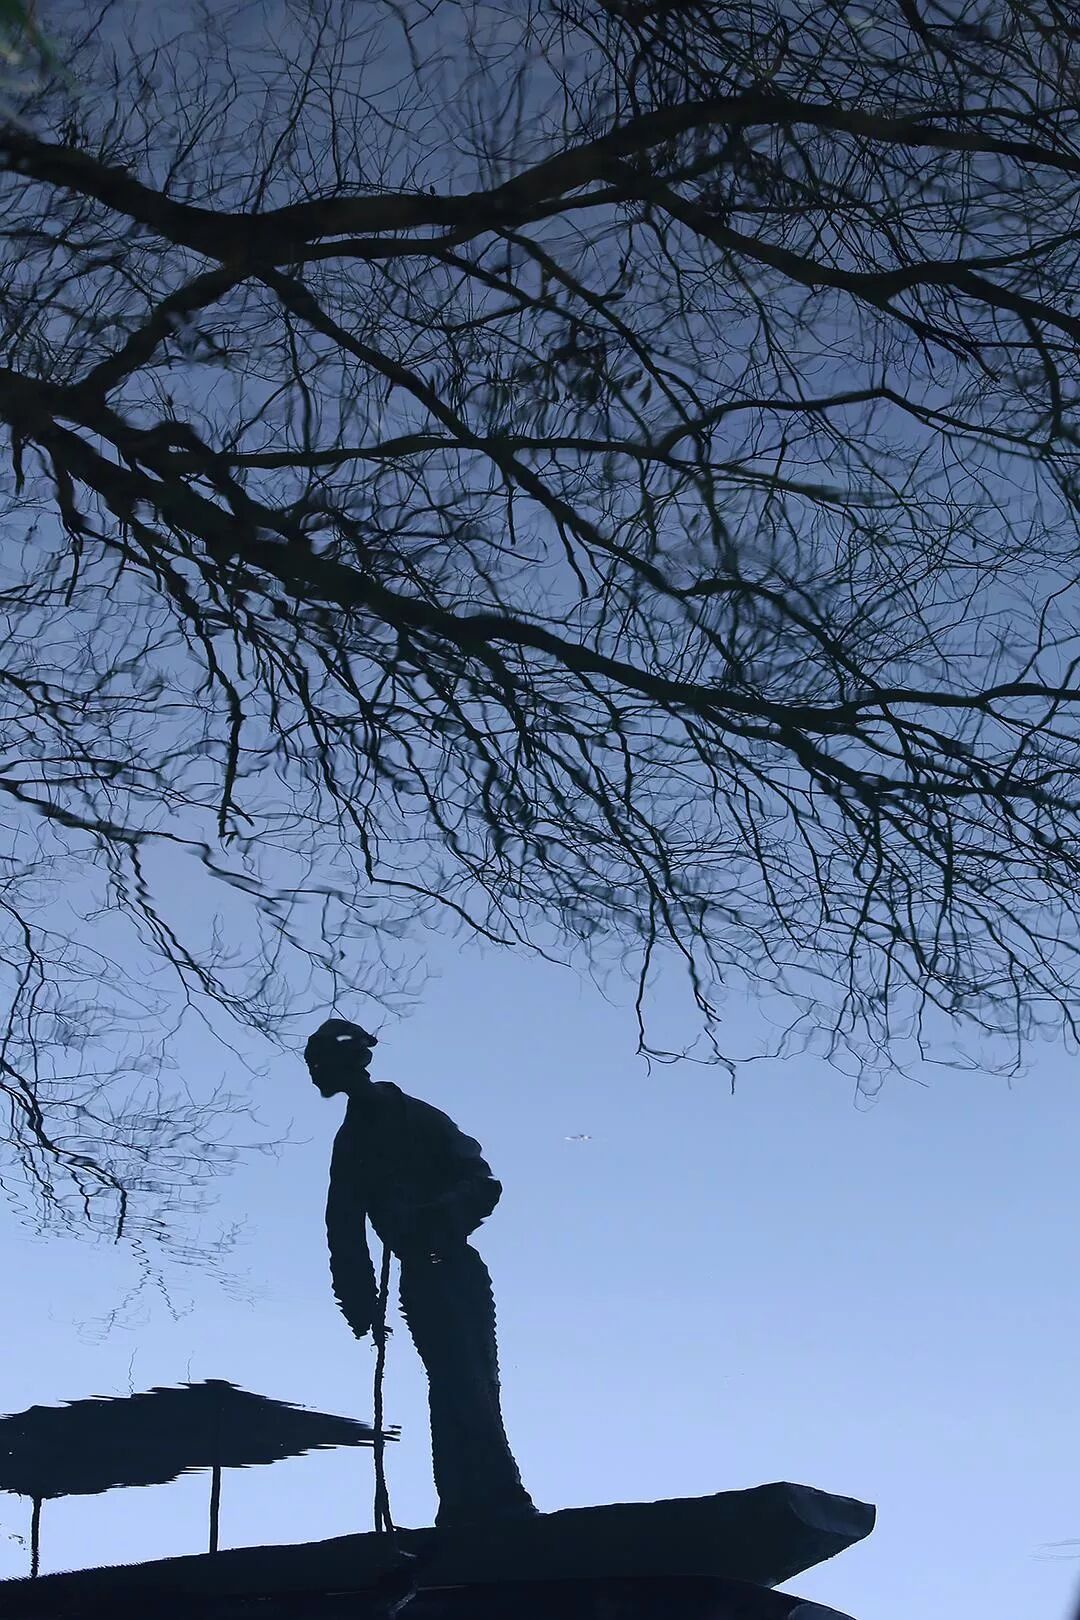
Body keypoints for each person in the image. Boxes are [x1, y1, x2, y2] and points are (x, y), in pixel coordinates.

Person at [304, 1017, 536, 1528]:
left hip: (455, 1264)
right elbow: (343, 1227)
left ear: (348, 1062)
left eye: (319, 1063)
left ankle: (494, 1497)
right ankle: (466, 1500)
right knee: (454, 1380)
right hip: (421, 1274)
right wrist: (361, 1301)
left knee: (472, 1378)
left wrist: (435, 1215)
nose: (314, 1074)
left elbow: (482, 1182)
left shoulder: (420, 1118)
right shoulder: (352, 1143)